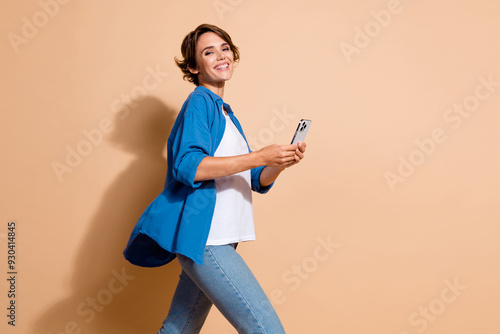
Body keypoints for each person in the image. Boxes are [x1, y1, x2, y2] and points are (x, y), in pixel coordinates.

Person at [123, 23, 307, 333]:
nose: (221, 55)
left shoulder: (224, 113)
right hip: (208, 239)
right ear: (194, 67)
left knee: (179, 328)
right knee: (266, 329)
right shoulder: (201, 101)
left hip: (218, 239)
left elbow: (254, 178)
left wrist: (280, 162)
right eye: (209, 52)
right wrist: (261, 155)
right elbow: (189, 166)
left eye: (224, 48)